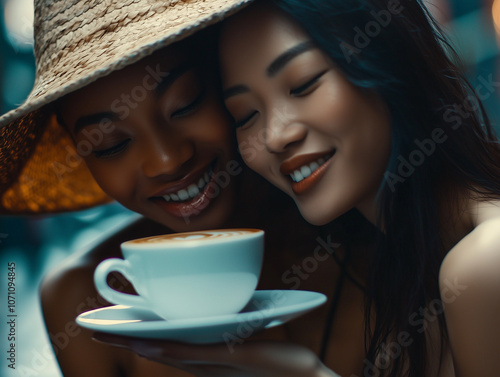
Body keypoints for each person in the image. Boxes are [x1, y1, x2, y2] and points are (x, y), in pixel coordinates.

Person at [95, 1, 500, 377]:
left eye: (303, 84)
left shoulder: (482, 263)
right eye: (246, 114)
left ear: (390, 55)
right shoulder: (402, 264)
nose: (275, 136)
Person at [0, 1, 372, 376]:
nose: (166, 160)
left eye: (186, 104)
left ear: (226, 79)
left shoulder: (377, 240)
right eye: (109, 144)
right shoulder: (84, 301)